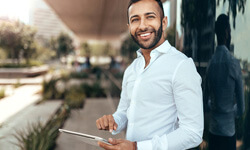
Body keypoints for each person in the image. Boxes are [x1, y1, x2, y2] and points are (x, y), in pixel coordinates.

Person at [96, 0, 204, 149]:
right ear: (129, 27)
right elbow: (124, 112)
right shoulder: (131, 70)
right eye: (135, 19)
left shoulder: (181, 66)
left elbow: (192, 133)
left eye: (150, 17)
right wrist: (113, 120)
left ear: (164, 22)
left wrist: (136, 147)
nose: (142, 25)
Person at [204, 14, 245, 150]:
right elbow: (241, 109)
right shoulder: (233, 64)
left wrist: (216, 107)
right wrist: (228, 110)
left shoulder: (210, 65)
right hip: (228, 134)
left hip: (213, 133)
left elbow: (205, 104)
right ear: (227, 32)